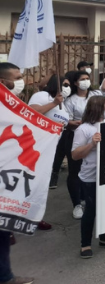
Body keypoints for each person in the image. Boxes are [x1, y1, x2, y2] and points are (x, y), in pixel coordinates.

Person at [71, 96, 105, 259]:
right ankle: (85, 244)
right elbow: (75, 155)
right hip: (91, 177)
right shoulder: (83, 129)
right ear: (98, 109)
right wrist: (92, 144)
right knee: (91, 210)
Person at [0, 62, 33, 284]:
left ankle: (5, 275)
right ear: (3, 82)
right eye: (17, 77)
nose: (22, 81)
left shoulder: (12, 105)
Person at [28, 74, 71, 230]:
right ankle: (11, 224)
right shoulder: (42, 96)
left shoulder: (63, 103)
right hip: (34, 148)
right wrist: (53, 103)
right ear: (56, 85)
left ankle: (35, 216)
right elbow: (32, 113)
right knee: (26, 184)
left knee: (40, 187)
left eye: (68, 85)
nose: (67, 88)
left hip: (48, 151)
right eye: (64, 85)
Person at [62, 70, 102, 219]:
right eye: (82, 79)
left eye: (87, 78)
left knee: (91, 169)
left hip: (96, 135)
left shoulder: (94, 95)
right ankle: (77, 204)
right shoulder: (70, 100)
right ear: (75, 83)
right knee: (75, 171)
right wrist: (76, 123)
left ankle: (88, 199)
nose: (86, 81)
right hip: (76, 136)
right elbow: (67, 121)